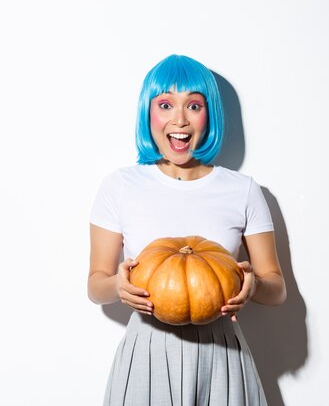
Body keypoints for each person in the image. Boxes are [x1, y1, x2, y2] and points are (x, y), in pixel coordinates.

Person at [88, 54, 286, 406]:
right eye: (165, 104)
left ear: (209, 115)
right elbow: (96, 285)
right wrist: (117, 286)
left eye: (193, 105)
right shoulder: (120, 186)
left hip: (222, 353)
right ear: (148, 113)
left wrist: (253, 283)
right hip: (146, 351)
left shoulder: (243, 190)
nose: (179, 119)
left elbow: (277, 288)